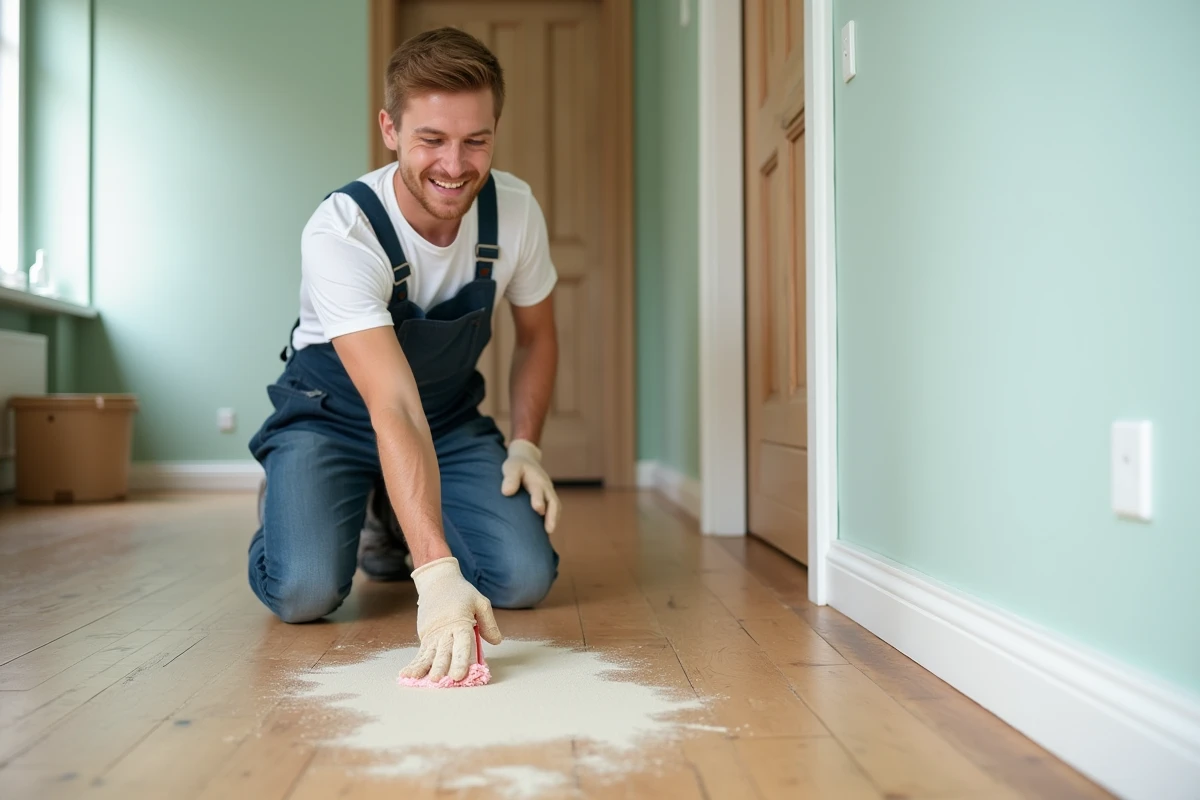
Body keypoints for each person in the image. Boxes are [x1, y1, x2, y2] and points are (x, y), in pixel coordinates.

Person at [246, 27, 562, 685]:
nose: (455, 165)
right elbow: (392, 405)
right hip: (330, 419)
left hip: (444, 421)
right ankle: (305, 498)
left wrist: (526, 445)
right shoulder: (344, 230)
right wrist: (438, 575)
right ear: (389, 129)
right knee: (302, 591)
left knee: (525, 577)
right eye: (431, 140)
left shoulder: (515, 214)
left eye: (476, 140)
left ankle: (396, 516)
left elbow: (537, 336)